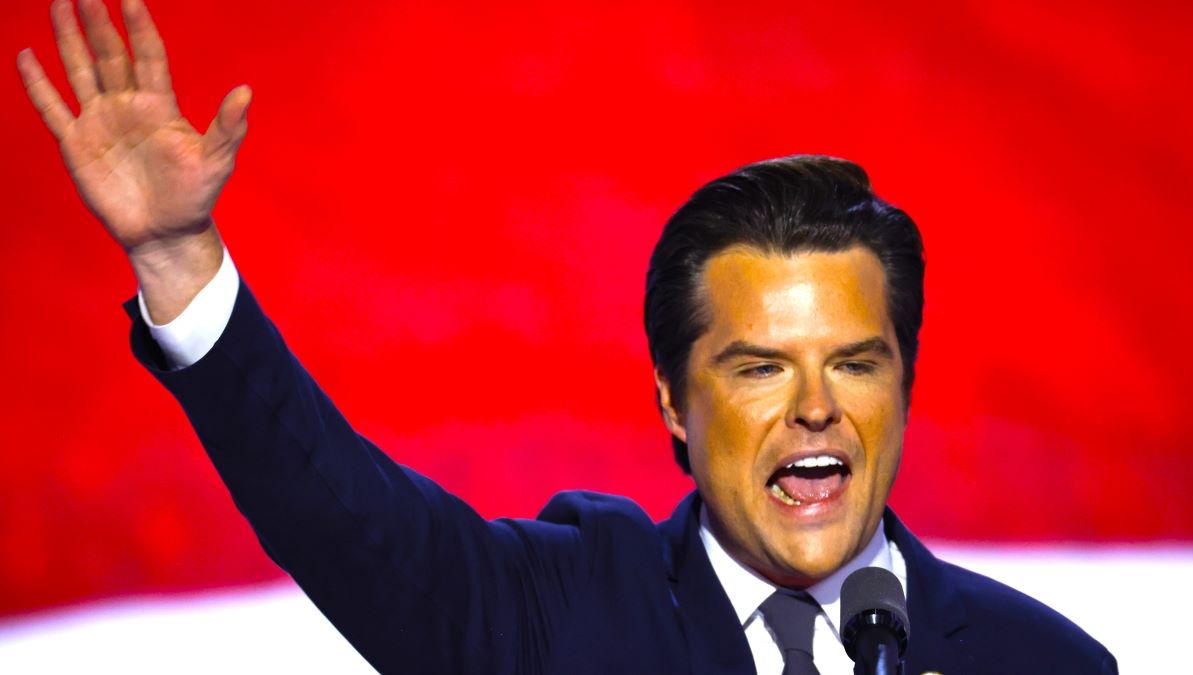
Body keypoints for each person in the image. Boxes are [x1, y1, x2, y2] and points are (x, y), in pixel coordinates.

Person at [18, 1, 1117, 673]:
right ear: (672, 407)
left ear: (905, 389)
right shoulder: (557, 620)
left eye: (854, 362)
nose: (816, 406)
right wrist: (176, 258)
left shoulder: (1047, 666)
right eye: (758, 368)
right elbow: (348, 524)